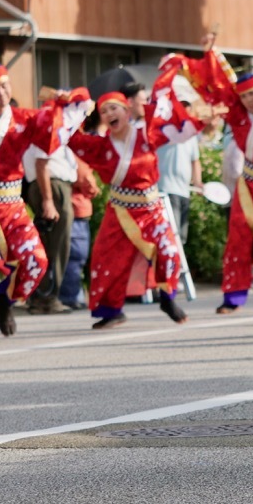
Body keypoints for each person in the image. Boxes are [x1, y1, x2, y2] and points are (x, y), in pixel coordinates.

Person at [0, 64, 86, 335]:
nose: (1, 93)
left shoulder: (24, 119)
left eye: (4, 86)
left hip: (12, 207)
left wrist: (67, 103)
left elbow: (54, 129)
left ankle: (5, 296)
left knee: (36, 261)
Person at [170, 42, 253, 314]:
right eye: (245, 96)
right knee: (238, 239)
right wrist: (210, 54)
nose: (250, 100)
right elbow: (220, 87)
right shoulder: (237, 113)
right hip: (248, 184)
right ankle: (233, 296)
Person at [68, 81, 197, 329]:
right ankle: (111, 310)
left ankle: (167, 297)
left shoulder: (146, 134)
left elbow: (173, 124)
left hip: (151, 209)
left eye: (114, 108)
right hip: (120, 210)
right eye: (104, 111)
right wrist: (75, 107)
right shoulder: (101, 146)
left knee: (169, 251)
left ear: (127, 111)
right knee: (107, 260)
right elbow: (70, 139)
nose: (109, 114)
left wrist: (160, 94)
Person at [22, 129, 78, 314]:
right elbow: (41, 164)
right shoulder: (50, 126)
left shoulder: (59, 127)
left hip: (55, 187)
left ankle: (45, 296)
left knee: (55, 243)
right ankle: (44, 296)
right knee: (54, 244)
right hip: (51, 187)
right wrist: (48, 200)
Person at [156, 100, 202, 248]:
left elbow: (195, 161)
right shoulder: (166, 132)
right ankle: (174, 269)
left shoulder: (191, 135)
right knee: (172, 235)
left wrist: (198, 182)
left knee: (181, 237)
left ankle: (177, 269)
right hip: (166, 190)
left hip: (184, 191)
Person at [61, 152, 99, 310]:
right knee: (75, 256)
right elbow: (85, 177)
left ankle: (72, 295)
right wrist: (94, 189)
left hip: (72, 208)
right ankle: (70, 296)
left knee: (71, 256)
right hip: (76, 208)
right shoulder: (71, 150)